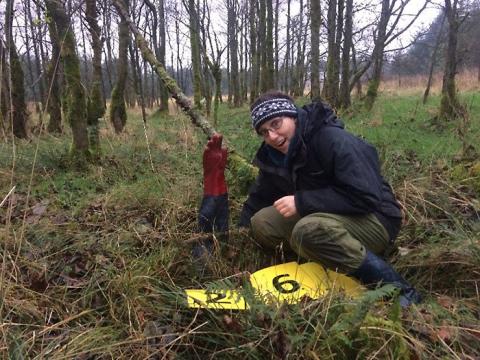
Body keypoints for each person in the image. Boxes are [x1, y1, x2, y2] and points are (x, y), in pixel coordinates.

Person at [198, 90, 421, 307]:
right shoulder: (273, 156)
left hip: (375, 218)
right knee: (262, 222)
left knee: (307, 231)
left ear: (293, 116)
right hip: (325, 217)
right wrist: (239, 240)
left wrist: (302, 202)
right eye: (265, 132)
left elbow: (366, 196)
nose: (273, 137)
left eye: (276, 124)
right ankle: (323, 256)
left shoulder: (332, 139)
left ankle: (398, 289)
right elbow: (258, 199)